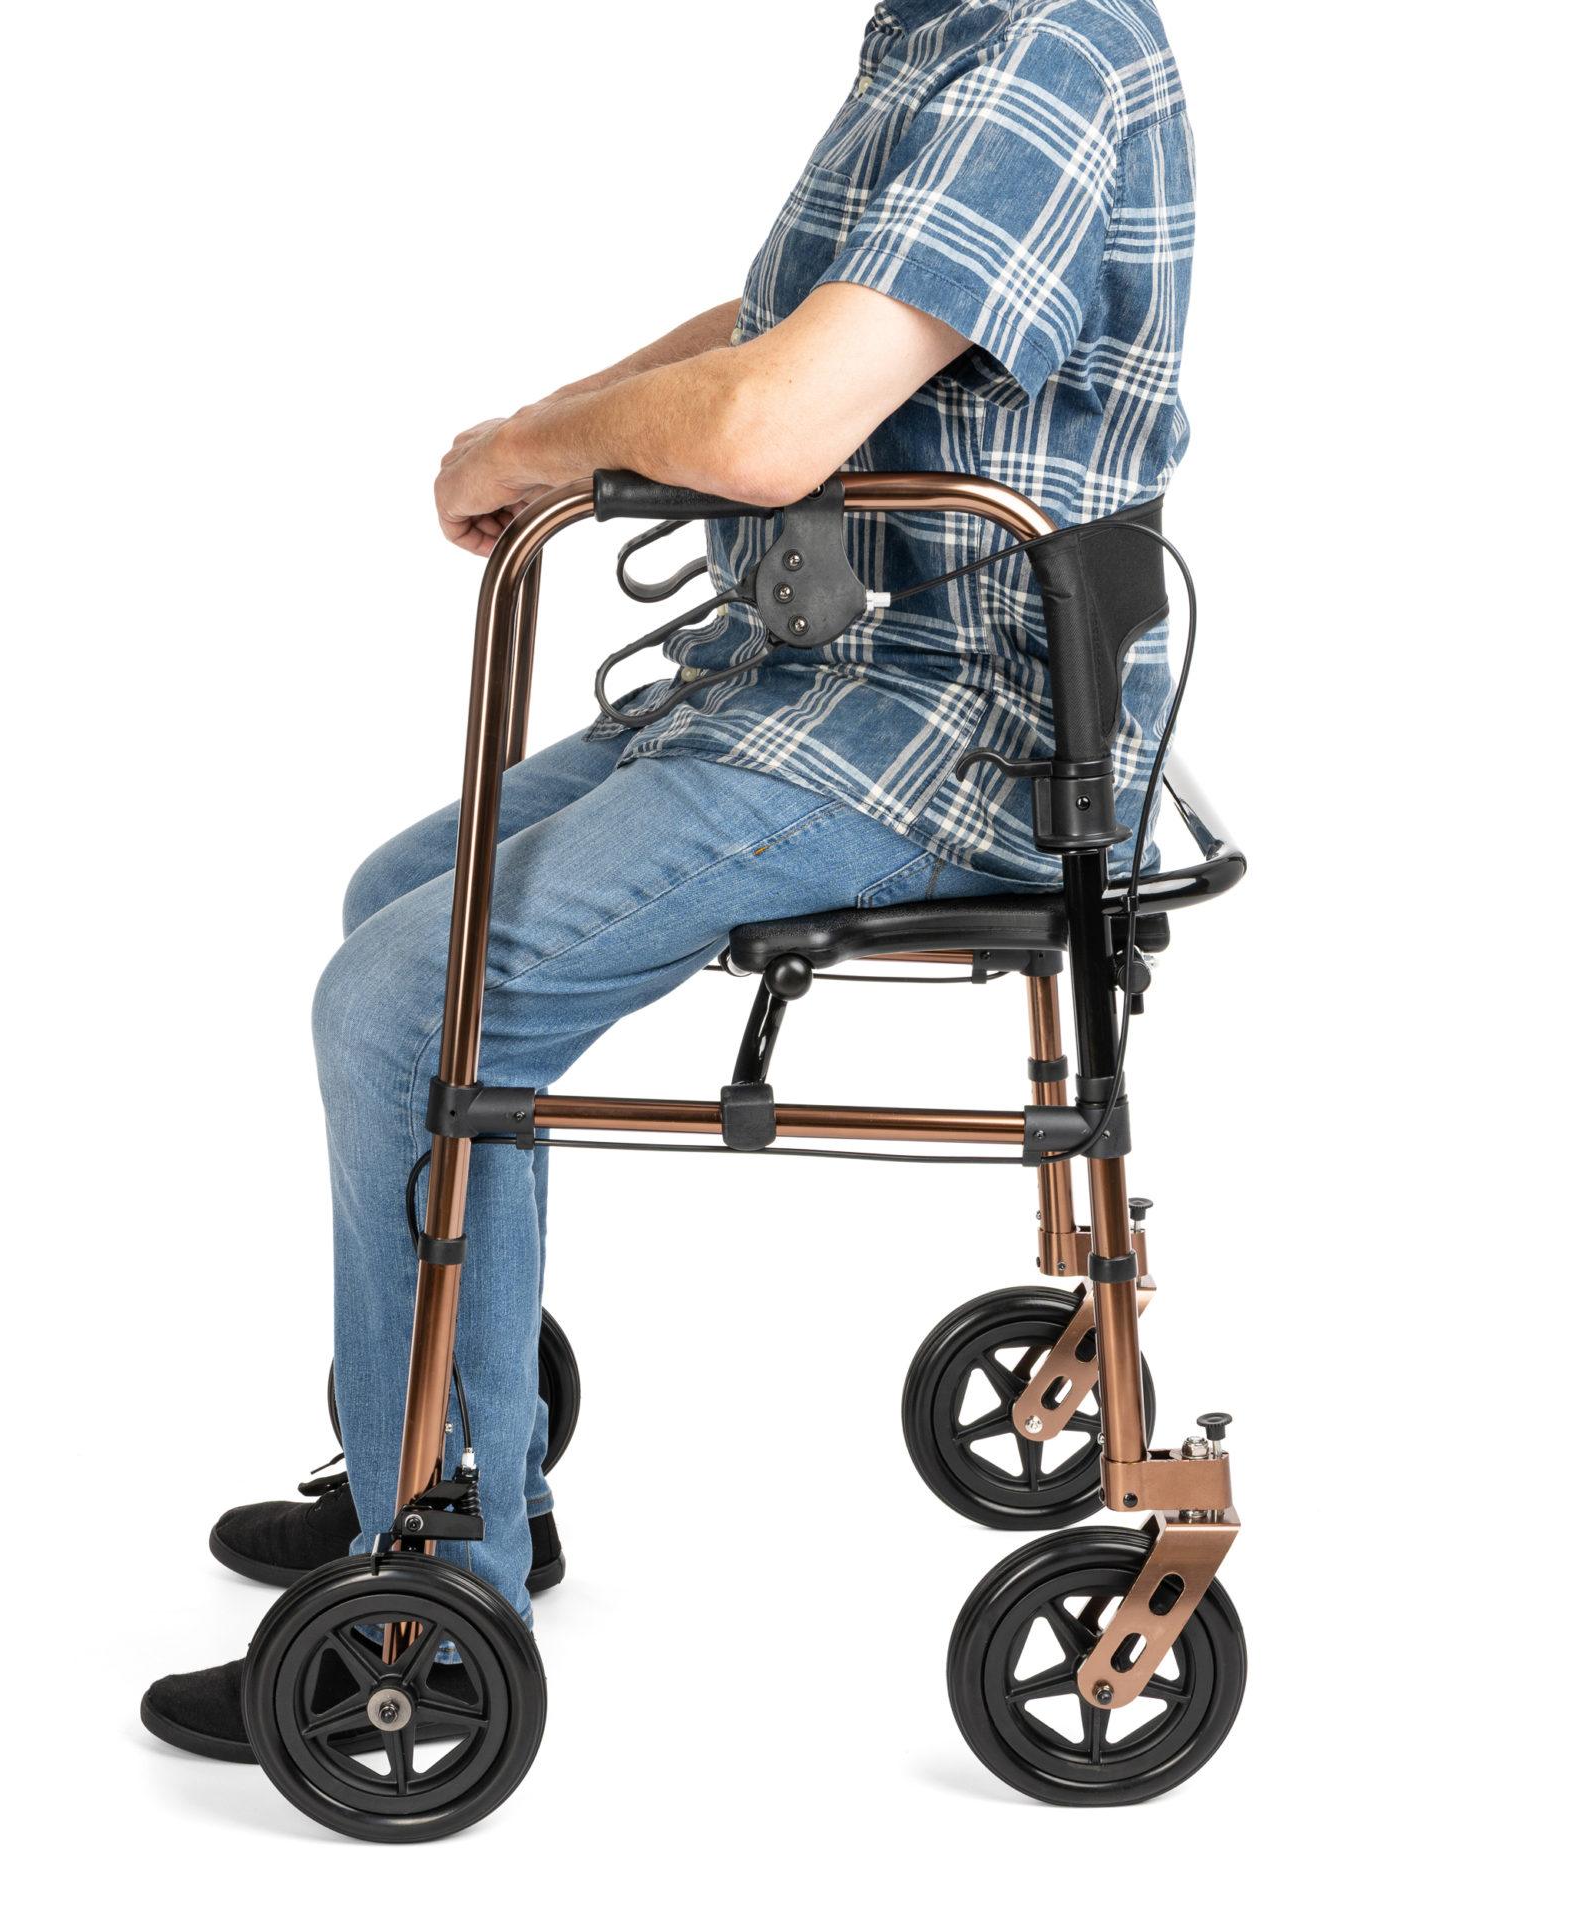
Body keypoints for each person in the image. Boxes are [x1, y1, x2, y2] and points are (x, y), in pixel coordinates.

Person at [142, 0, 1193, 1761]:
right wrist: (545, 419)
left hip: (943, 728)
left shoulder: (1045, 51)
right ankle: (467, 1459)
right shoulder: (939, 37)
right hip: (814, 670)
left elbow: (776, 422)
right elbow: (784, 329)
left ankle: (435, 1590)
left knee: (402, 1004)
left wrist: (528, 455)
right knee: (400, 897)